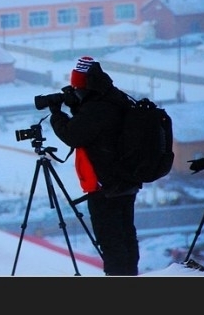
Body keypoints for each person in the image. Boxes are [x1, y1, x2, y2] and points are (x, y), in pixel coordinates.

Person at [49, 56, 142, 276]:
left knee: (111, 240)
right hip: (126, 179)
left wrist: (56, 114)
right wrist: (77, 107)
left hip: (105, 186)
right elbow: (98, 131)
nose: (75, 91)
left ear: (85, 86)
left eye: (77, 87)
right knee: (126, 234)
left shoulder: (96, 109)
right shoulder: (114, 98)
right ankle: (132, 275)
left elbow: (72, 135)